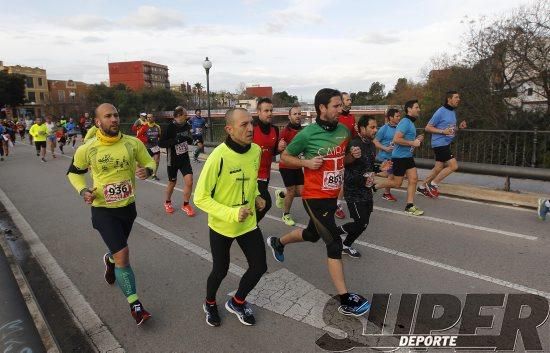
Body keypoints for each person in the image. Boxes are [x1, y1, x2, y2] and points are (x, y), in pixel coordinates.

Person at [267, 88, 371, 317]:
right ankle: (345, 300)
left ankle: (278, 242)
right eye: (335, 105)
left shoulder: (344, 131)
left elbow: (341, 160)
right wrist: (306, 164)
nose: (340, 109)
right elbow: (284, 158)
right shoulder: (307, 134)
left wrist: (351, 157)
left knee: (313, 234)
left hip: (332, 195)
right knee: (333, 244)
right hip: (314, 197)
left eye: (340, 105)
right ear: (322, 108)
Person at [67, 103, 156, 326]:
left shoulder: (132, 143)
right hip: (102, 209)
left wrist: (148, 170)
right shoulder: (88, 148)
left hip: (128, 208)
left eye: (116, 115)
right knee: (123, 254)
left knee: (117, 253)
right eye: (108, 116)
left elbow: (149, 161)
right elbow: (74, 173)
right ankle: (136, 305)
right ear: (98, 122)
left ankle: (109, 259)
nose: (114, 119)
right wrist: (83, 190)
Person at [194, 107, 267, 327]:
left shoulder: (255, 151)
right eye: (244, 125)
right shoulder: (218, 156)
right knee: (220, 270)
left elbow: (250, 180)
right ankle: (209, 302)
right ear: (229, 129)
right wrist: (232, 213)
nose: (251, 128)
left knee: (259, 267)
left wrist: (256, 196)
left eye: (251, 123)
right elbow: (200, 198)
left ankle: (237, 301)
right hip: (222, 225)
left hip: (247, 223)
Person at [339, 116, 391, 258]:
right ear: (362, 129)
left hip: (366, 190)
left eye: (376, 127)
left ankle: (345, 245)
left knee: (364, 224)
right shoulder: (353, 144)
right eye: (372, 127)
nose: (376, 130)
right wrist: (351, 156)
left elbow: (368, 166)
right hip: (353, 190)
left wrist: (380, 168)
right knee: (360, 223)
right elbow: (342, 163)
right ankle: (333, 232)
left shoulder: (372, 145)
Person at [375, 100, 425, 216]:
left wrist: (417, 139)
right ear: (409, 109)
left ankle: (409, 206)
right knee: (397, 183)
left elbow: (408, 140)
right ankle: (374, 185)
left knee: (413, 179)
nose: (419, 109)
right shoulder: (405, 122)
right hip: (399, 158)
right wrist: (413, 143)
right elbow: (396, 139)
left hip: (408, 157)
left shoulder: (411, 123)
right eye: (416, 107)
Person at [418, 91, 467, 198]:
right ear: (449, 99)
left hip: (445, 143)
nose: (458, 99)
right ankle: (433, 184)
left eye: (459, 97)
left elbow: (450, 129)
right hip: (439, 143)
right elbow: (428, 127)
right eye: (456, 97)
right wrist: (442, 132)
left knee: (438, 168)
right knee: (453, 166)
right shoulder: (440, 111)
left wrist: (459, 127)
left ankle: (421, 187)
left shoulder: (452, 112)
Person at [158, 107, 196, 216]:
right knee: (172, 182)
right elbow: (161, 144)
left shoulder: (186, 125)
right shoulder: (170, 127)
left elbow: (188, 137)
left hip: (184, 159)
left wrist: (191, 139)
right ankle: (167, 202)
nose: (186, 116)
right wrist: (176, 141)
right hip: (172, 160)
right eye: (185, 114)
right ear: (179, 115)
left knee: (189, 181)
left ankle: (186, 204)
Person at [274, 105, 304, 226]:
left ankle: (281, 194)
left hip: (298, 166)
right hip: (286, 166)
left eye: (299, 114)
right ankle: (286, 214)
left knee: (302, 191)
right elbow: (281, 153)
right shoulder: (285, 132)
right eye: (295, 114)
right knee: (291, 191)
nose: (297, 116)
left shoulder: (303, 131)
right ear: (289, 116)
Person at [252, 97, 279, 222]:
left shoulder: (275, 129)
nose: (270, 113)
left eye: (271, 110)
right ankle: (251, 226)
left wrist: (279, 148)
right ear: (258, 112)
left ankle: (249, 226)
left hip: (266, 174)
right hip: (252, 175)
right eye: (266, 110)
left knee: (258, 205)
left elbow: (273, 153)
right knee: (266, 203)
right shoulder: (251, 128)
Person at [335, 92, 356, 219]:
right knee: (338, 182)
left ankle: (337, 203)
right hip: (336, 154)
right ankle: (336, 204)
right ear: (341, 102)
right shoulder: (336, 117)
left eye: (350, 99)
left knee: (345, 182)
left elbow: (353, 136)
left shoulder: (352, 117)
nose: (350, 102)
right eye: (348, 100)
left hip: (348, 153)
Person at [373, 108, 401, 201]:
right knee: (391, 176)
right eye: (397, 116)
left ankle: (375, 184)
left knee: (392, 176)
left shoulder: (400, 127)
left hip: (397, 156)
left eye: (399, 116)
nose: (399, 118)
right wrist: (385, 148)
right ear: (390, 117)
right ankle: (384, 192)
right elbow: (375, 141)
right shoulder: (384, 129)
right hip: (386, 157)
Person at [136, 113, 161, 180]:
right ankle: (138, 171)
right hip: (146, 147)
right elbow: (139, 136)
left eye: (150, 117)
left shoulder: (157, 127)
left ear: (153, 118)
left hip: (155, 146)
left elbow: (159, 136)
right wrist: (146, 140)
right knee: (140, 162)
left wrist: (159, 142)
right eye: (148, 117)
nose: (149, 118)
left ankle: (154, 175)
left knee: (157, 161)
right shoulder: (144, 126)